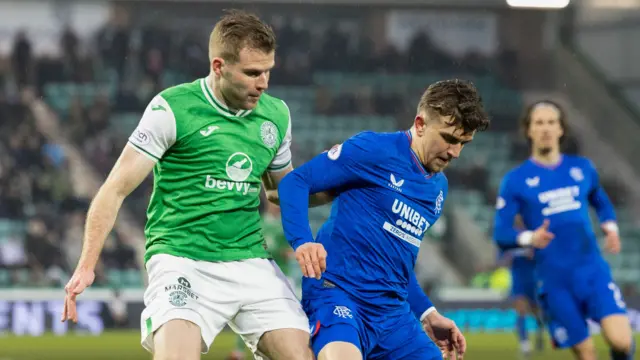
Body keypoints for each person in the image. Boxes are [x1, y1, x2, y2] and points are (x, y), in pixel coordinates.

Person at [61, 10, 330, 360]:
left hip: (249, 259)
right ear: (218, 66)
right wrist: (86, 264)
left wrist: (350, 185)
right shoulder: (172, 109)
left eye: (267, 71)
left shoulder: (276, 115)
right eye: (252, 73)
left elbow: (283, 192)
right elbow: (114, 189)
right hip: (181, 258)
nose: (263, 83)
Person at [277, 80, 490, 360]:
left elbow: (398, 266)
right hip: (339, 294)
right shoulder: (373, 149)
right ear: (421, 123)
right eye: (449, 138)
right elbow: (295, 182)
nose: (455, 152)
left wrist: (428, 313)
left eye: (464, 143)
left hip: (392, 315)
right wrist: (302, 241)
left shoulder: (438, 189)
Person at [493, 100, 635, 360]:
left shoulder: (582, 168)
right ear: (528, 130)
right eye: (539, 122)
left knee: (623, 342)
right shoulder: (515, 180)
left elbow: (600, 201)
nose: (545, 128)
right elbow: (501, 232)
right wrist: (529, 237)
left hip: (592, 272)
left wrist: (610, 227)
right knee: (586, 354)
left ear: (560, 129)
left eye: (551, 122)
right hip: (554, 281)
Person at [497, 246, 545, 358]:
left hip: (533, 281)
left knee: (536, 312)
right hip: (518, 282)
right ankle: (525, 344)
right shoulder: (508, 241)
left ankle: (540, 333)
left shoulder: (532, 238)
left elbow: (542, 258)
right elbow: (502, 260)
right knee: (521, 310)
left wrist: (533, 255)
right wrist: (507, 259)